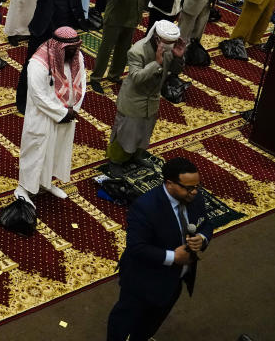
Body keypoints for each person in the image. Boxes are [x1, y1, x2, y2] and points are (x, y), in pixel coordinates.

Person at [106, 157, 213, 341]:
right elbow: (136, 247)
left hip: (175, 280)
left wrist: (202, 239)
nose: (195, 191)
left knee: (153, 320)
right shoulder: (145, 207)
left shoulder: (194, 196)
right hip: (142, 280)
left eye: (197, 186)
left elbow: (206, 224)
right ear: (169, 183)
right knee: (124, 321)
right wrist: (173, 257)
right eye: (188, 187)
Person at [16, 26, 86, 206]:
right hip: (43, 117)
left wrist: (74, 109)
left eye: (75, 48)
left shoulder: (77, 56)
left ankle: (45, 182)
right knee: (36, 151)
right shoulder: (39, 63)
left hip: (67, 115)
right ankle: (23, 188)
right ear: (59, 47)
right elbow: (37, 95)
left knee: (56, 150)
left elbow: (82, 83)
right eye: (69, 50)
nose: (73, 53)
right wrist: (62, 112)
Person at [106, 21, 185, 170]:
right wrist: (156, 63)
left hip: (153, 98)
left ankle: (136, 156)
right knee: (125, 133)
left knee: (144, 132)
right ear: (157, 38)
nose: (170, 46)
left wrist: (178, 57)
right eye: (168, 43)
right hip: (134, 99)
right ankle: (115, 162)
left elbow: (174, 71)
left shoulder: (169, 50)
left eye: (172, 43)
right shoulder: (137, 51)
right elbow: (136, 78)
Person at [90, 0, 166, 94]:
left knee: (124, 48)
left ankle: (114, 75)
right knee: (106, 48)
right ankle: (96, 78)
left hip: (133, 14)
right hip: (116, 14)